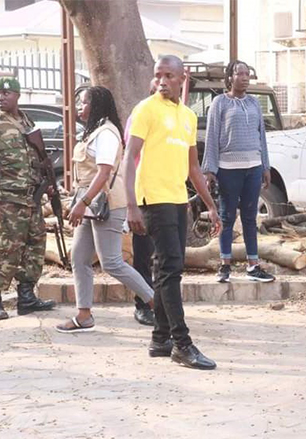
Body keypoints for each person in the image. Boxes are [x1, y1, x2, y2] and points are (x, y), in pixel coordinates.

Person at [123, 55, 221, 370]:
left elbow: (193, 167)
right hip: (153, 200)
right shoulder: (145, 110)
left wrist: (209, 204)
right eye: (158, 75)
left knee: (166, 271)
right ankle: (182, 343)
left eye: (169, 75)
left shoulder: (189, 116)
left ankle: (160, 337)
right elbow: (129, 159)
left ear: (182, 78)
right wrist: (131, 205)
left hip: (179, 201)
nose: (162, 81)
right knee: (170, 272)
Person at [55, 86, 157, 333]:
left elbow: (103, 173)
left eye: (83, 103)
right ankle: (84, 315)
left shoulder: (107, 134)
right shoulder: (93, 132)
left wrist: (82, 203)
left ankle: (158, 304)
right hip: (92, 204)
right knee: (79, 258)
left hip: (107, 204)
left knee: (111, 262)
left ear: (97, 105)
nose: (80, 107)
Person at [0, 76, 56, 321]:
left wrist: (48, 184)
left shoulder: (26, 121)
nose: (0, 97)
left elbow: (37, 159)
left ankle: (27, 297)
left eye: (6, 93)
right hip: (7, 200)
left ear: (17, 96)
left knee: (34, 248)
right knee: (3, 250)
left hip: (32, 199)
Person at [202, 60, 275, 283]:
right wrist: (209, 170)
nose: (244, 77)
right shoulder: (220, 103)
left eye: (247, 74)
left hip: (252, 168)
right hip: (228, 169)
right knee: (227, 215)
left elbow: (261, 135)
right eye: (239, 74)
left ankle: (253, 265)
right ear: (230, 78)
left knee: (250, 217)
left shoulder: (254, 103)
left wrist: (265, 165)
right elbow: (212, 135)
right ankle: (225, 265)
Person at [129, 78, 159, 327]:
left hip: (167, 197)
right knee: (143, 254)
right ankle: (142, 303)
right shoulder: (140, 114)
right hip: (143, 197)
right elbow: (130, 158)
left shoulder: (176, 116)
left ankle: (160, 303)